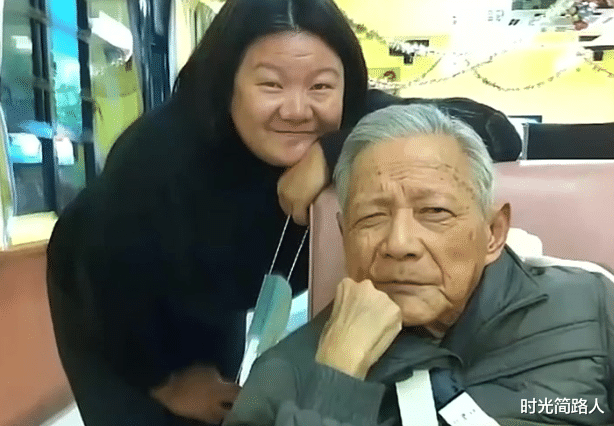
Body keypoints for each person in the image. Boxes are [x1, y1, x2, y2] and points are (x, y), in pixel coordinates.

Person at [46, 0, 522, 424]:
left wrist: (333, 149)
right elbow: (103, 276)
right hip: (108, 303)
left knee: (230, 405)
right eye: (271, 84)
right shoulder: (157, 159)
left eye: (321, 86)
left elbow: (497, 131)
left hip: (222, 295)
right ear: (228, 83)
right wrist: (166, 383)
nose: (297, 110)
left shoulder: (361, 124)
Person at [224, 105, 614, 426]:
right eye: (372, 217)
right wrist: (335, 380)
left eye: (434, 211)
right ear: (344, 235)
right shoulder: (285, 374)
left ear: (493, 232)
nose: (400, 244)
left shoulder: (590, 304)